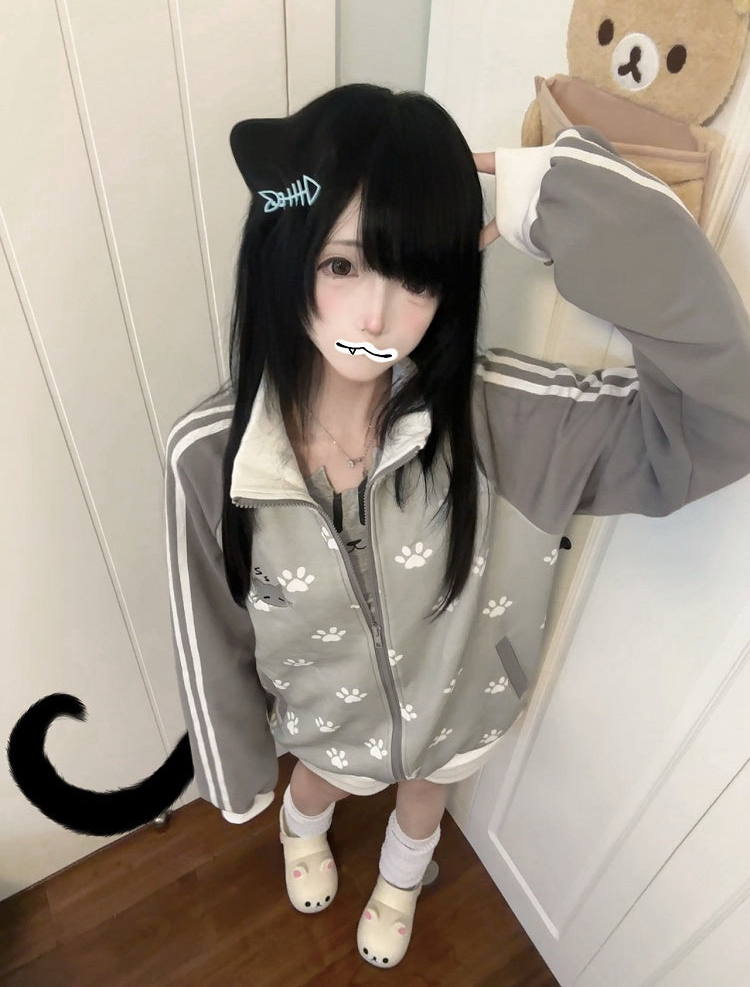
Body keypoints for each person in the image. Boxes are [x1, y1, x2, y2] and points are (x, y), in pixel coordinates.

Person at [165, 83, 750, 969]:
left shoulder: (510, 423)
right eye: (342, 265)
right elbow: (206, 630)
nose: (376, 317)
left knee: (425, 797)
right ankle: (301, 827)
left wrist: (557, 198)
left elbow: (724, 419)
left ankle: (402, 881)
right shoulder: (211, 455)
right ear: (287, 250)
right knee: (319, 782)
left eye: (415, 277)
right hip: (321, 727)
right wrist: (240, 771)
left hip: (456, 711)